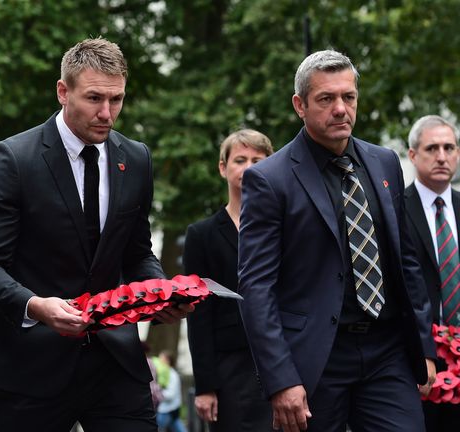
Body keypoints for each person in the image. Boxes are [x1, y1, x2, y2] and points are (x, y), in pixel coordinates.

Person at [0, 37, 192, 432]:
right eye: (93, 99)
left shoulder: (136, 158)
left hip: (115, 359)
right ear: (62, 91)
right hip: (30, 363)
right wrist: (37, 306)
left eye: (117, 99)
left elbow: (137, 252)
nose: (107, 113)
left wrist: (160, 292)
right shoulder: (14, 158)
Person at [238, 50, 436, 431]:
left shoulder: (385, 163)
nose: (341, 109)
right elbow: (256, 286)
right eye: (326, 99)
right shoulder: (269, 179)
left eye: (349, 97)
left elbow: (405, 259)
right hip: (316, 359)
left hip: (387, 351)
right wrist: (281, 379)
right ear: (300, 105)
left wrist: (424, 347)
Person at [184, 129, 273, 431]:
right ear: (223, 167)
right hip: (229, 368)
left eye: (258, 160)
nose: (249, 167)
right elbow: (199, 315)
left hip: (281, 361)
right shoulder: (201, 235)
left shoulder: (286, 227)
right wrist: (205, 385)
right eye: (240, 160)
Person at [403, 115, 460, 432]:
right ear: (413, 155)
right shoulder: (396, 210)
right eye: (432, 148)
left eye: (449, 147)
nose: (442, 156)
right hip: (419, 362)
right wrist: (419, 353)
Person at [154, 351, 186, 432]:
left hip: (167, 410)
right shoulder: (164, 373)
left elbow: (170, 395)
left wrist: (156, 394)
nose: (159, 361)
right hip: (167, 409)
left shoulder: (172, 375)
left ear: (168, 361)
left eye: (161, 358)